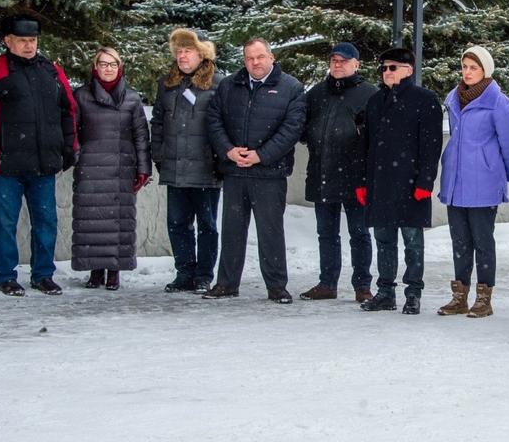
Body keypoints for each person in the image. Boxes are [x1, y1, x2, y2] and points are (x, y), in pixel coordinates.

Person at [0, 15, 77, 296]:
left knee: (46, 221)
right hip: (6, 166)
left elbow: (68, 111)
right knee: (4, 223)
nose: (29, 46)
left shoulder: (51, 71)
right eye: (23, 41)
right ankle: (5, 276)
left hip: (43, 164)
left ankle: (43, 274)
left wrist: (69, 148)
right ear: (8, 41)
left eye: (33, 40)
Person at [204, 38, 306, 303]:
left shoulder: (291, 88)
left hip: (269, 173)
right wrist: (228, 150)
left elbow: (291, 129)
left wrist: (261, 155)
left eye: (260, 57)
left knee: (270, 232)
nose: (255, 63)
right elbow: (214, 120)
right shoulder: (229, 85)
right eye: (249, 58)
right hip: (235, 171)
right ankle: (226, 283)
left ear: (271, 57)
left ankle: (276, 286)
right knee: (232, 231)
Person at [358, 48, 443, 315]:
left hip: (410, 184)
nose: (386, 72)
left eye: (392, 67)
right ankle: (385, 292)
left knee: (412, 241)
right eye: (383, 68)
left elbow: (431, 146)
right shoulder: (375, 102)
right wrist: (362, 182)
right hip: (380, 183)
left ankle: (413, 293)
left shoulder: (425, 99)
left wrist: (425, 182)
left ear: (409, 69)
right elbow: (366, 146)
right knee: (383, 240)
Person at [437, 46, 509, 318]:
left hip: (484, 180)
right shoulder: (454, 98)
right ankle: (460, 295)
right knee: (460, 241)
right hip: (456, 181)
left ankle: (484, 297)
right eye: (465, 67)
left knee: (483, 241)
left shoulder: (498, 102)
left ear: (486, 70)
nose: (468, 72)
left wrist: (506, 173)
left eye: (474, 67)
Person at [298, 42, 377, 303]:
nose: (338, 64)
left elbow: (377, 139)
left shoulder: (369, 95)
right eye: (334, 60)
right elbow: (301, 126)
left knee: (360, 233)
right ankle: (327, 282)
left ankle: (362, 286)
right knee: (326, 233)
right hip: (323, 171)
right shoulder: (317, 93)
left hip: (356, 177)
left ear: (357, 64)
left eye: (344, 60)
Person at [71, 47, 151, 290]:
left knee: (119, 221)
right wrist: (74, 158)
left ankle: (115, 272)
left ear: (120, 67)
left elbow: (140, 134)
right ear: (95, 67)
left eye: (112, 64)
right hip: (91, 168)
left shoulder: (132, 98)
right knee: (92, 222)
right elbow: (72, 132)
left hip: (121, 168)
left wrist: (143, 168)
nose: (108, 69)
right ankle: (95, 272)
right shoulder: (81, 96)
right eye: (103, 64)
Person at [150, 28, 223, 294]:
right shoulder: (166, 83)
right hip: (174, 167)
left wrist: (220, 159)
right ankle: (184, 272)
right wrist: (158, 154)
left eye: (187, 51)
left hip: (206, 169)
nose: (182, 56)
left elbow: (225, 125)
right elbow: (157, 122)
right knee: (177, 223)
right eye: (178, 51)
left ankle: (204, 274)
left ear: (201, 53)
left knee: (207, 225)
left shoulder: (218, 83)